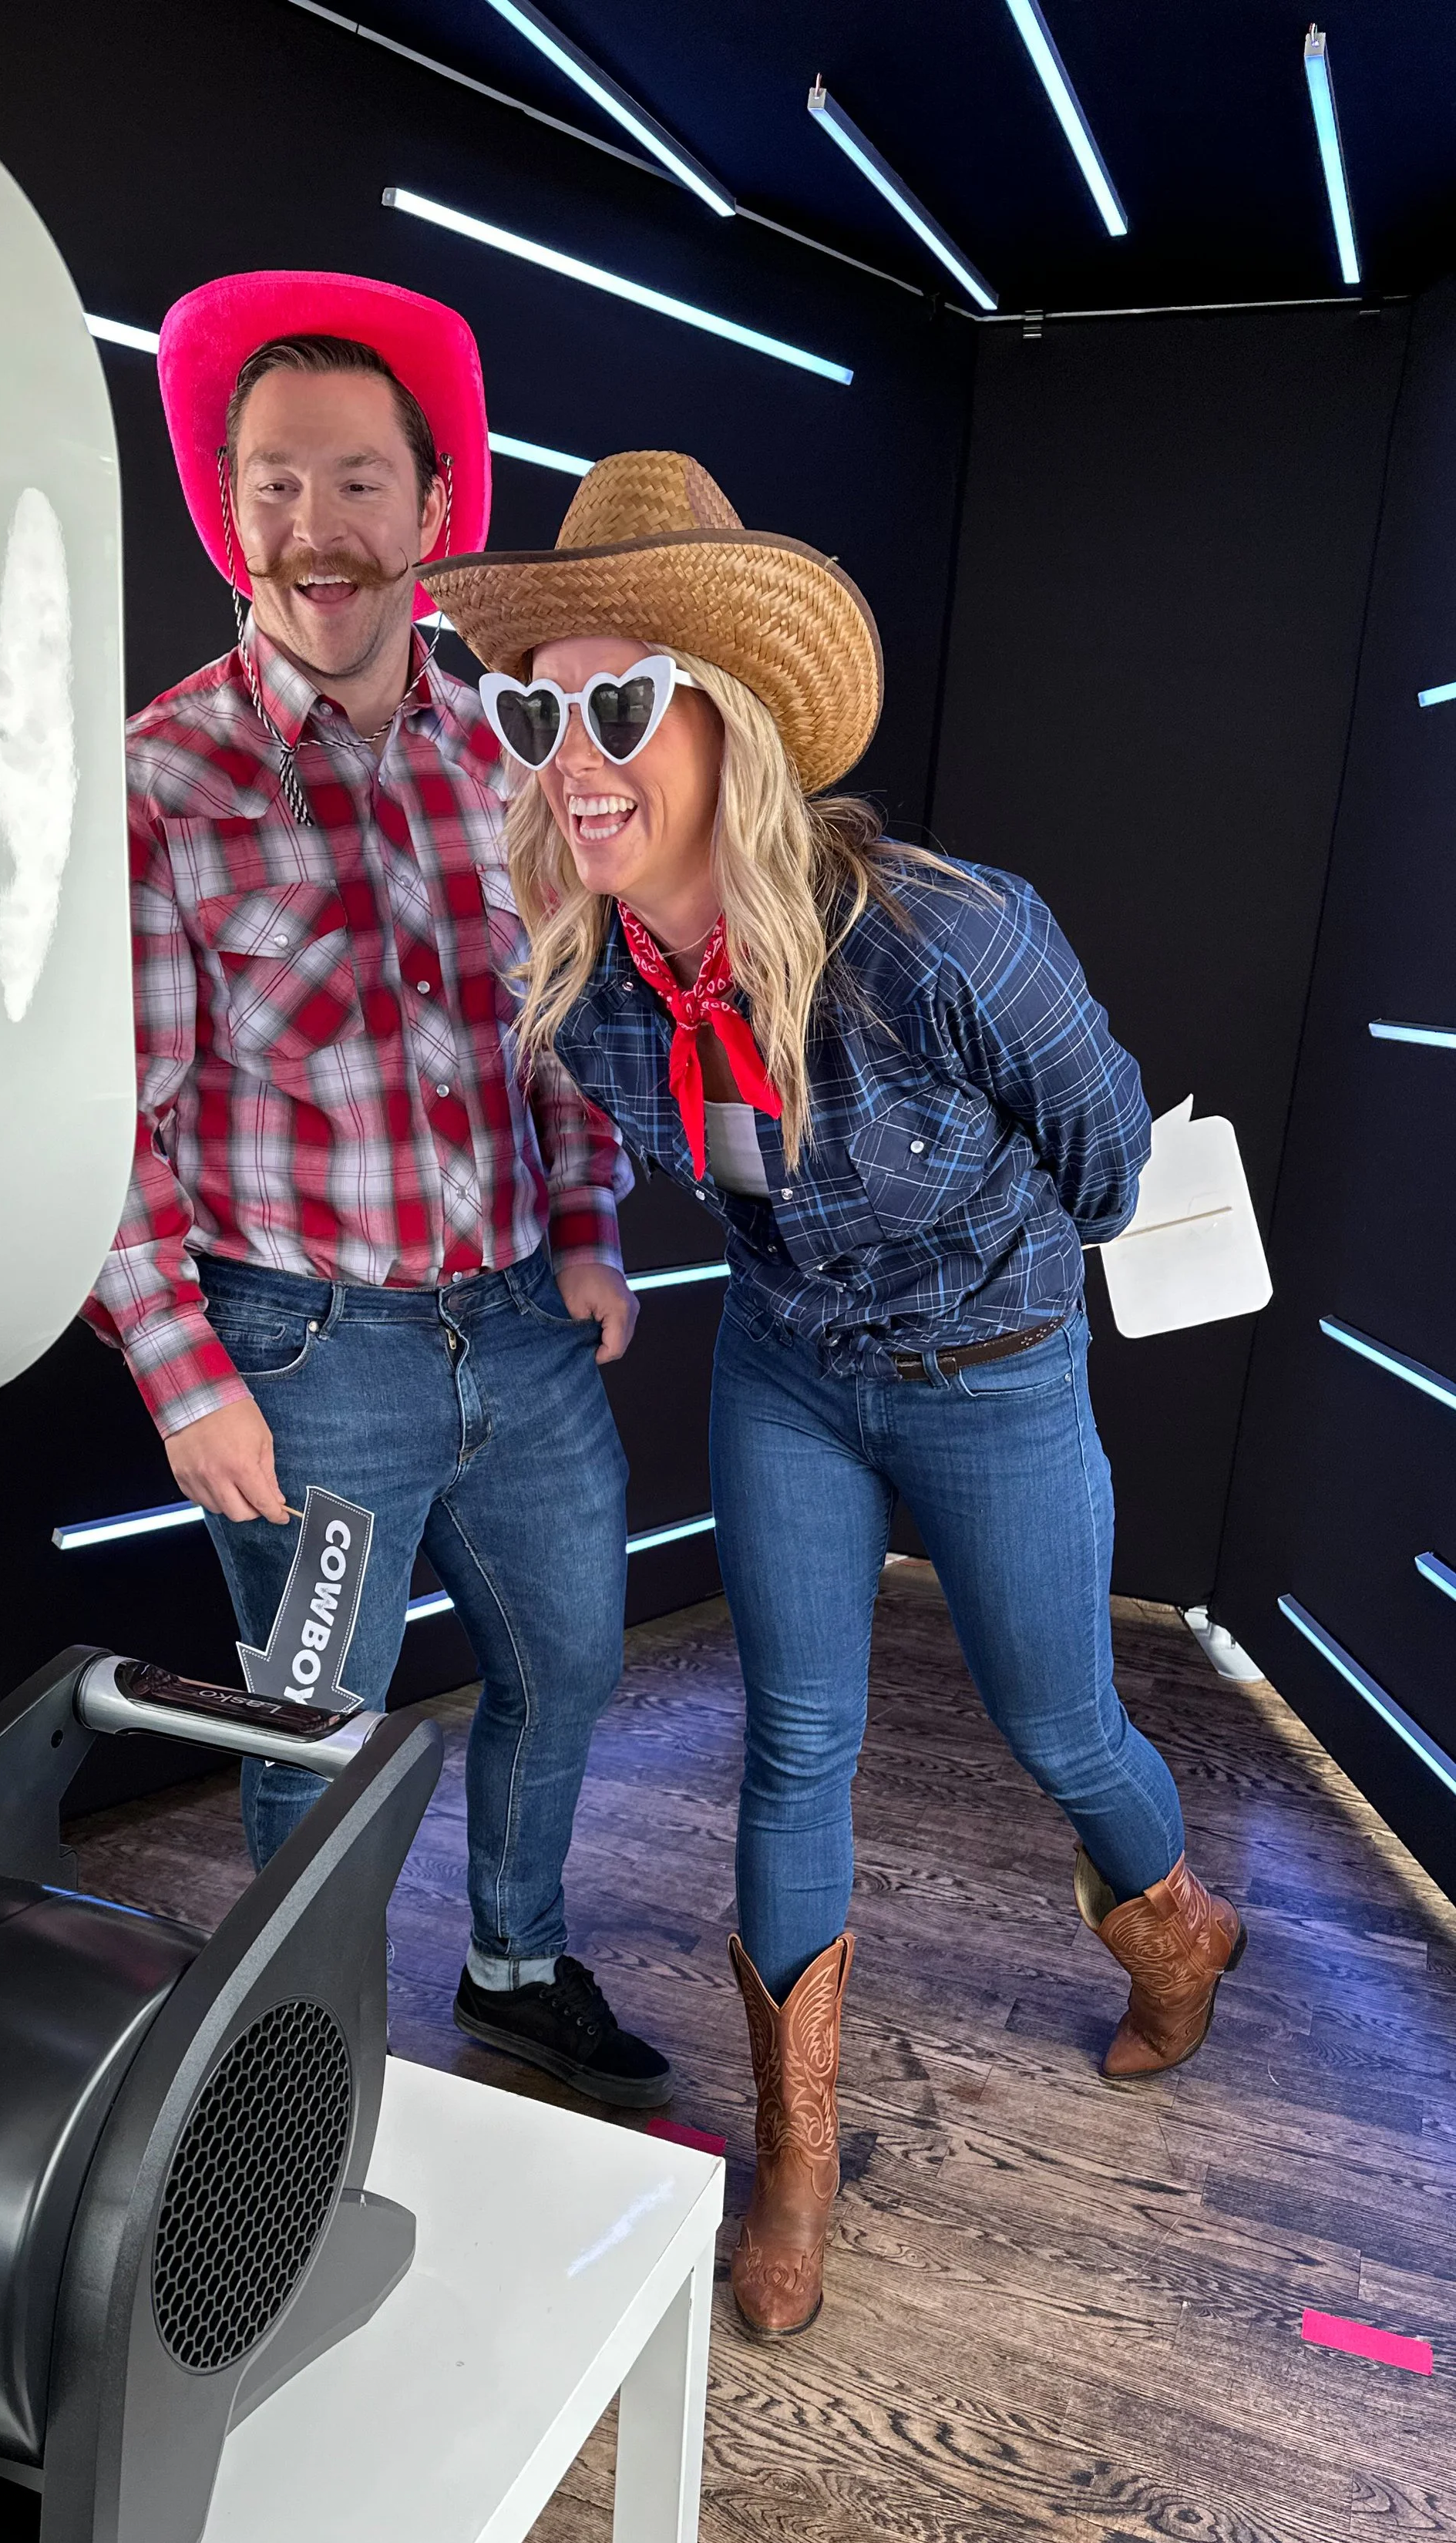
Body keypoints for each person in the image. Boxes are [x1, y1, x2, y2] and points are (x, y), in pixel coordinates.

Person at [423, 449, 1244, 2333]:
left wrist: (979, 1276)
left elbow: (1107, 1156)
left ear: (728, 723)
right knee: (793, 1743)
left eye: (616, 701)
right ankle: (792, 2161)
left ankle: (1176, 1931)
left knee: (1061, 1727)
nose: (569, 749)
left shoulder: (949, 939)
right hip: (788, 1373)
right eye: (542, 706)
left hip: (992, 1376)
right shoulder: (598, 974)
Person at [85, 274, 671, 2110]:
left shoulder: (512, 747)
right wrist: (185, 1374)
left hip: (516, 1319)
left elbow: (559, 1016)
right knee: (307, 1725)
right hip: (305, 1350)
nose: (313, 530)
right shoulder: (160, 778)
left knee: (569, 1656)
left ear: (434, 507)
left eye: (356, 482)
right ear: (227, 503)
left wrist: (583, 1227)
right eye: (273, 482)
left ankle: (509, 1959)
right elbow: (114, 1114)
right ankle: (291, 2036)